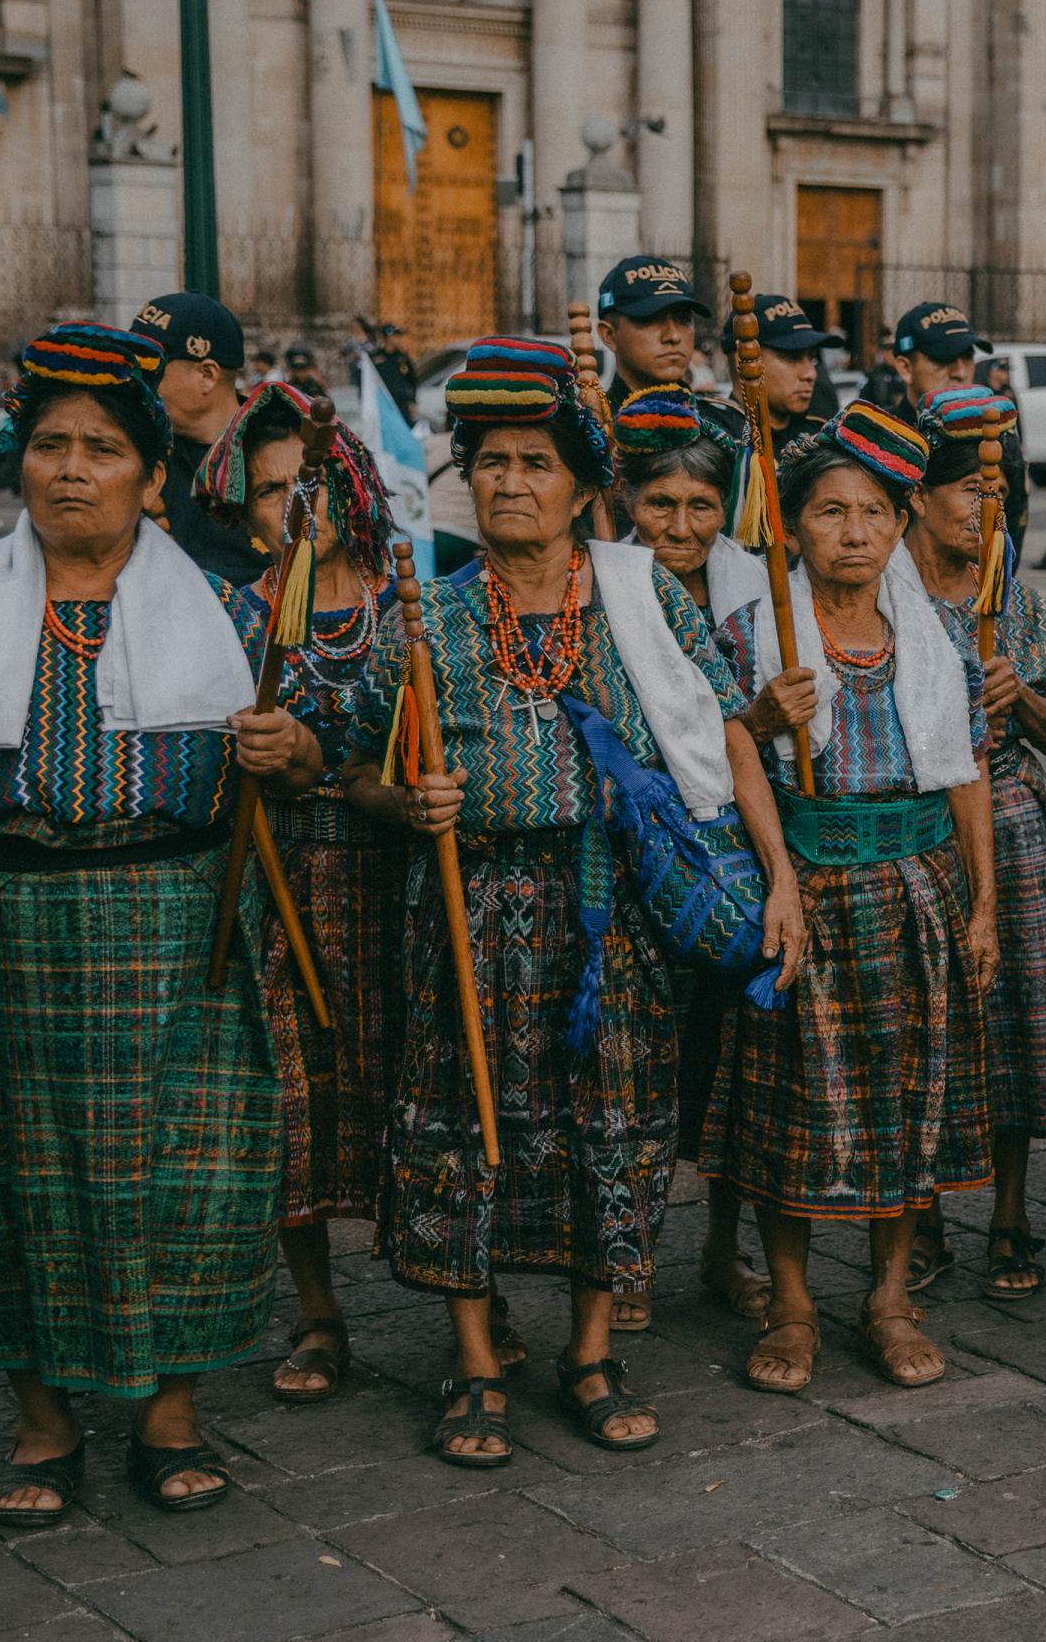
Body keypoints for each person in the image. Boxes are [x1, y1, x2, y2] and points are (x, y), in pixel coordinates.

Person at [0, 322, 313, 1523]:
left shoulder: (225, 612)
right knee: (16, 1181)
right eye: (50, 444)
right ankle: (44, 1422)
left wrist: (296, 746)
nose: (71, 467)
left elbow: (307, 758)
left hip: (182, 937)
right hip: (19, 934)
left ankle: (169, 1415)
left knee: (187, 1178)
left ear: (152, 476)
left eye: (102, 448)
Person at [340, 337, 801, 1467]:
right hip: (471, 909)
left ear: (585, 487)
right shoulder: (428, 618)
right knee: (463, 1128)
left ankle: (593, 1350)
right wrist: (408, 803)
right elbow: (350, 764)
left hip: (619, 913)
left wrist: (779, 875)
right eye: (490, 460)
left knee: (621, 1125)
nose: (509, 481)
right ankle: (477, 1360)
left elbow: (729, 731)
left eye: (536, 463)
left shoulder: (645, 601)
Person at [705, 404, 996, 1390]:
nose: (856, 532)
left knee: (905, 1102)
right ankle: (791, 1302)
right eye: (831, 512)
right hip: (807, 895)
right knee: (793, 1102)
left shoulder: (936, 635)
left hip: (916, 890)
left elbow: (966, 774)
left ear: (899, 522)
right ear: (794, 526)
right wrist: (758, 718)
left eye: (874, 512)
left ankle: (888, 1296)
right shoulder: (759, 630)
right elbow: (731, 749)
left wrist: (984, 902)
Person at [191, 382, 410, 1403]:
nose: (293, 509)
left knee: (422, 1082)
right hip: (276, 885)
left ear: (351, 487)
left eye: (309, 485)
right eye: (272, 491)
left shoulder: (413, 602)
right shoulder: (228, 617)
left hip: (396, 877)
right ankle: (319, 1312)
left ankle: (464, 1281)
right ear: (243, 506)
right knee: (289, 1097)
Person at [903, 383, 1046, 1301]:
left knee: (1016, 1022)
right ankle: (923, 1212)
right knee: (925, 1028)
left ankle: (1011, 1212)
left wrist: (1026, 697)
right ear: (919, 500)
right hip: (921, 827)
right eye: (969, 491)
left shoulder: (1009, 597)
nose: (988, 508)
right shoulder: (883, 592)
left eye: (998, 491)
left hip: (1014, 823)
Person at [603, 386, 776, 1332]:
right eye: (660, 504)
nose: (680, 524)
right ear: (629, 502)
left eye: (701, 506)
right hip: (635, 860)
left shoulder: (758, 587)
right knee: (633, 1065)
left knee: (730, 1066)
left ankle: (720, 1245)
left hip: (737, 855)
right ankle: (628, 1256)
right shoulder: (608, 587)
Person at [129, 292, 270, 584]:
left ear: (207, 375)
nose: (134, 384)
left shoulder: (286, 454)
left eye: (149, 373)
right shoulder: (137, 452)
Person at [891, 302, 1026, 557]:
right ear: (905, 367)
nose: (960, 372)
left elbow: (1013, 523)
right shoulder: (882, 435)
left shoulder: (998, 434)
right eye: (943, 360)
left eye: (967, 357)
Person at [596, 256, 749, 450]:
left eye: (683, 319)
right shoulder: (592, 428)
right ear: (609, 335)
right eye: (650, 319)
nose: (674, 335)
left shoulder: (727, 426)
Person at [749, 294, 842, 437]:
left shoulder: (819, 434)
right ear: (745, 358)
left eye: (812, 358)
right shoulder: (716, 440)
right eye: (791, 358)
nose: (811, 374)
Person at [366, 321, 422, 423]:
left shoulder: (402, 357)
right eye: (395, 336)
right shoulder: (376, 357)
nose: (398, 339)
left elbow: (412, 380)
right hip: (383, 404)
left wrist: (412, 401)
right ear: (388, 337)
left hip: (402, 404)